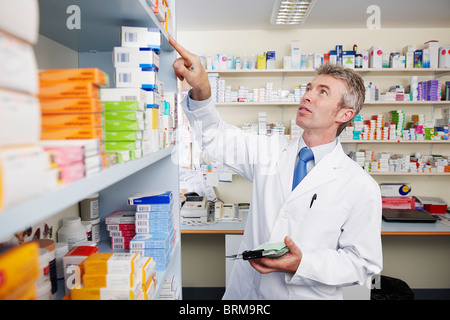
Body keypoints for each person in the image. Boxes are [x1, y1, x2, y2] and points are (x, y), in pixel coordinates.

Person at [170, 36, 383, 300]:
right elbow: (215, 135)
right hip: (246, 294)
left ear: (344, 115)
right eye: (309, 88)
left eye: (322, 92)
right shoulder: (268, 150)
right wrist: (201, 89)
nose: (307, 95)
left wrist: (302, 263)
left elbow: (362, 263)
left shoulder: (361, 186)